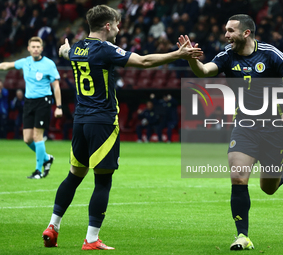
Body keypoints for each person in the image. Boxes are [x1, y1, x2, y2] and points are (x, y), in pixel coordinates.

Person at [42, 4, 202, 251]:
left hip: (80, 121)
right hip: (103, 121)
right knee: (102, 182)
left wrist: (64, 50)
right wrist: (177, 55)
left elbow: (66, 52)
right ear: (108, 25)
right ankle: (92, 239)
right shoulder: (105, 49)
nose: (118, 28)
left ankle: (53, 226)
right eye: (116, 24)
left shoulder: (77, 48)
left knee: (74, 176)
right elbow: (144, 61)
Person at [177, 14, 283, 250]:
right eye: (226, 30)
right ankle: (242, 236)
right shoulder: (227, 55)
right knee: (238, 177)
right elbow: (205, 71)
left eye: (230, 31)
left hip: (273, 128)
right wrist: (190, 59)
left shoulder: (269, 53)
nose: (226, 35)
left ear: (246, 33)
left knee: (268, 188)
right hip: (244, 126)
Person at [0, 36, 63, 179]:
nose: (35, 49)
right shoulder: (25, 62)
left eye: (38, 47)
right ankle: (47, 158)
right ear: (29, 49)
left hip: (43, 101)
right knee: (27, 139)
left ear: (41, 49)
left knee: (37, 136)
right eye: (33, 47)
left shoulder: (49, 64)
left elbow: (56, 87)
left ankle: (38, 171)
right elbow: (6, 65)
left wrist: (59, 106)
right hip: (29, 102)